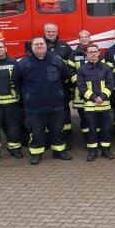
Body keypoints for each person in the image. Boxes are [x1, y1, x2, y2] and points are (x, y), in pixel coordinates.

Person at [13, 37, 73, 165]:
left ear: (46, 45)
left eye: (41, 44)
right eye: (36, 44)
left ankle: (59, 152)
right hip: (34, 106)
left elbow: (65, 77)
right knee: (36, 132)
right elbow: (16, 80)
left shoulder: (56, 60)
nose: (39, 46)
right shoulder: (23, 63)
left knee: (57, 130)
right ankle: (36, 153)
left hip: (55, 105)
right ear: (32, 47)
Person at [77, 44, 115, 162]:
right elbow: (81, 87)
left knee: (105, 130)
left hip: (104, 105)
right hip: (90, 106)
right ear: (87, 54)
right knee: (92, 131)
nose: (93, 54)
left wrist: (102, 97)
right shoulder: (82, 69)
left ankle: (106, 150)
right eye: (90, 52)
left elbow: (110, 83)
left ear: (99, 53)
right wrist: (94, 98)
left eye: (95, 51)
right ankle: (92, 152)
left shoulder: (106, 68)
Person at [44, 22, 74, 147]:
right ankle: (47, 140)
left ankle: (66, 140)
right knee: (46, 114)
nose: (51, 34)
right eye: (49, 32)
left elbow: (70, 66)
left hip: (62, 87)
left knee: (64, 113)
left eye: (53, 31)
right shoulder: (40, 45)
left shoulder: (65, 47)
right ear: (45, 32)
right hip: (45, 88)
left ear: (57, 32)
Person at [69, 30, 93, 144]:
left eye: (86, 37)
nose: (84, 39)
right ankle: (87, 139)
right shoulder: (74, 54)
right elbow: (70, 71)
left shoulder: (95, 52)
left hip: (95, 91)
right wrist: (80, 84)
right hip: (80, 93)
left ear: (89, 38)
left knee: (94, 117)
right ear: (79, 39)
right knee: (84, 118)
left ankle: (94, 138)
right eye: (82, 37)